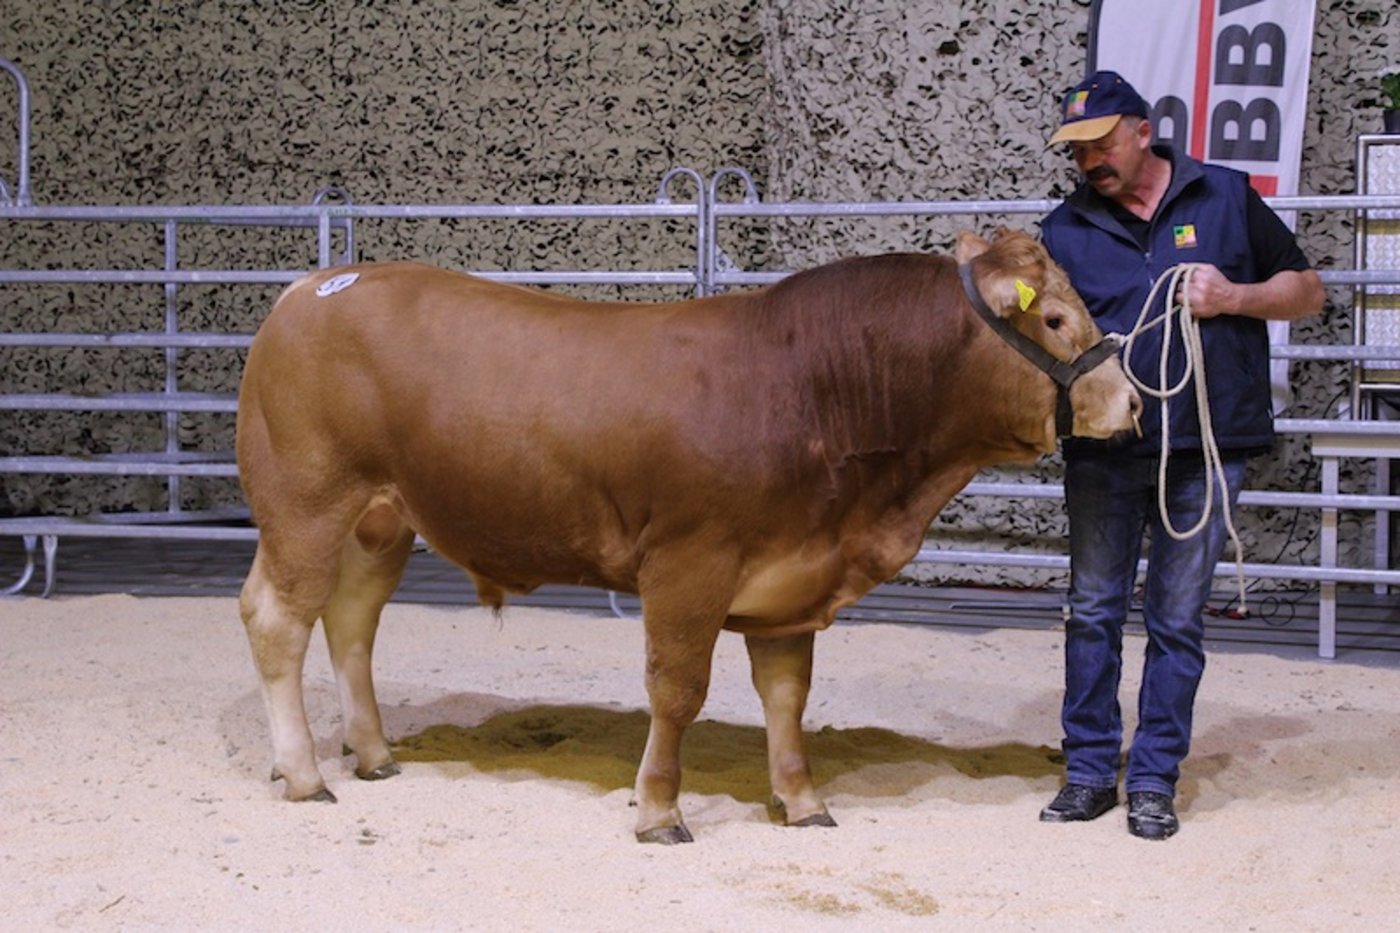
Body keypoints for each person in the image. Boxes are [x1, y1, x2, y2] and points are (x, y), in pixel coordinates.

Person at [1037, 71, 1325, 840]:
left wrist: (1235, 298)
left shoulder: (1225, 196)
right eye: (1077, 150)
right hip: (1104, 445)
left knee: (1175, 618)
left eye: (1100, 143)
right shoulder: (1063, 228)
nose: (1089, 161)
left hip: (1205, 439)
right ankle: (1091, 771)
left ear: (1142, 129)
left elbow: (1307, 290)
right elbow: (1041, 322)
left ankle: (1155, 776)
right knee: (1092, 610)